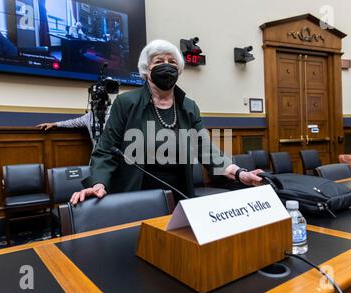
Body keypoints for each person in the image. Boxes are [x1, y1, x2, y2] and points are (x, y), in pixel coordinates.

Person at [70, 39, 263, 205]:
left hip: (179, 194)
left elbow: (206, 150)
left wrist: (240, 173)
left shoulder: (189, 107)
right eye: (159, 61)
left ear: (178, 70)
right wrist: (98, 184)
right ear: (146, 70)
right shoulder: (126, 103)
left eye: (172, 62)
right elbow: (105, 150)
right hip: (135, 196)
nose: (166, 65)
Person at [36, 107, 111, 150]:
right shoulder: (90, 116)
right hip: (96, 155)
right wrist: (54, 124)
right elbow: (73, 122)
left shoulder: (114, 114)